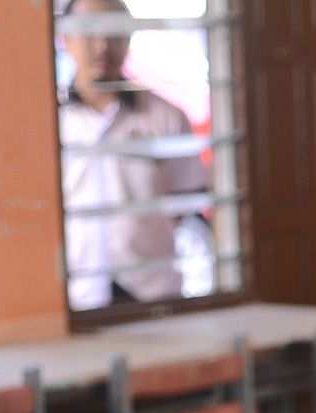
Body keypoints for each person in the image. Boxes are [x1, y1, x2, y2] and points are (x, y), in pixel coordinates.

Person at [58, 0, 208, 310]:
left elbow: (185, 203)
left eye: (114, 33)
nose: (102, 45)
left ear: (129, 38)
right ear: (66, 39)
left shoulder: (166, 118)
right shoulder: (48, 123)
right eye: (89, 32)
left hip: (151, 296)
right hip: (75, 297)